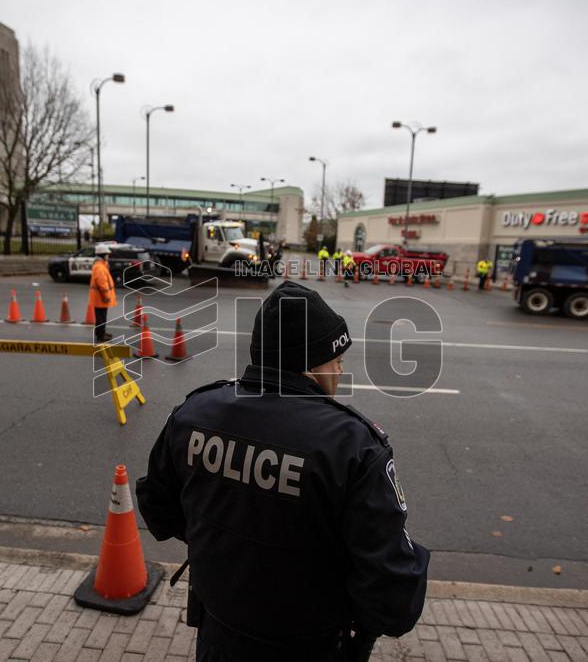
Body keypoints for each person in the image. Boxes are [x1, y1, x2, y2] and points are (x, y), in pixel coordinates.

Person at [137, 281, 429, 661]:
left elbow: (158, 509)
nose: (340, 372)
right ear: (309, 366)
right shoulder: (353, 447)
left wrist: (225, 543)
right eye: (336, 361)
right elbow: (394, 599)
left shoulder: (194, 414)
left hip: (218, 634)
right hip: (313, 645)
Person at [89, 244, 116, 343]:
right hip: (101, 297)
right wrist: (107, 296)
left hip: (99, 297)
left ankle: (100, 333)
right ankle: (101, 335)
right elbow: (103, 284)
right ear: (103, 255)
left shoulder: (101, 265)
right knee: (101, 317)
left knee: (101, 316)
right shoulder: (100, 267)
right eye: (107, 254)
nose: (108, 256)